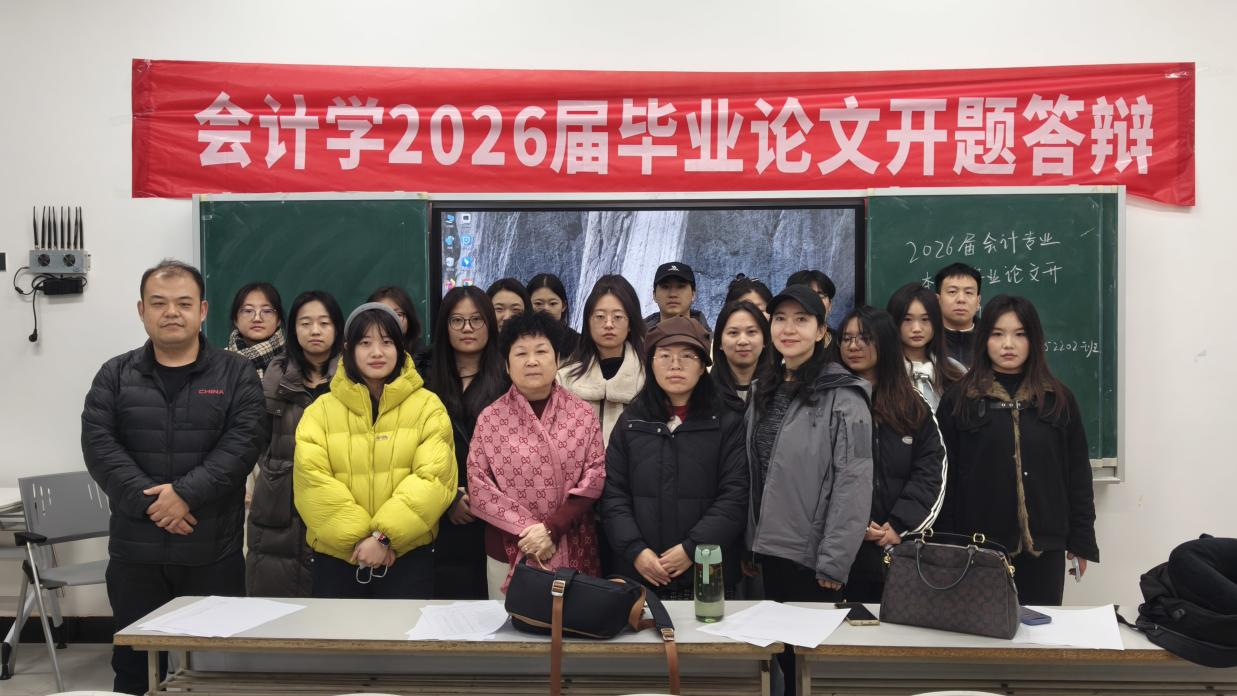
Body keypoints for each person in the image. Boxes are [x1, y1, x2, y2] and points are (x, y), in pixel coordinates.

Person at [82, 259, 267, 695]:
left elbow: (244, 443)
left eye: (183, 303)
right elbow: (100, 446)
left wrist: (184, 494)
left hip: (211, 551)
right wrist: (156, 504)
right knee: (133, 671)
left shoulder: (235, 372)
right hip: (136, 554)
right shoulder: (115, 374)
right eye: (159, 303)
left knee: (214, 672)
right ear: (141, 310)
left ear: (202, 311)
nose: (171, 312)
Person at [936, 295, 1099, 606]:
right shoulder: (959, 399)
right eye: (997, 334)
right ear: (984, 339)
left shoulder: (1058, 398)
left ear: (1034, 340)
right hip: (977, 546)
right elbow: (946, 478)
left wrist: (1081, 541)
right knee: (980, 630)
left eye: (1020, 334)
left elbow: (1078, 475)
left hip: (1044, 545)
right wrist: (948, 543)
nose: (1008, 344)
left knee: (1040, 630)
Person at [293, 303, 456, 599]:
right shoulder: (320, 411)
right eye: (365, 343)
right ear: (348, 349)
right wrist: (362, 541)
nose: (377, 352)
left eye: (387, 342)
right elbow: (312, 483)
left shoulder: (428, 407)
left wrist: (383, 538)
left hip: (407, 558)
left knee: (405, 631)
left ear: (401, 347)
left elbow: (434, 479)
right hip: (338, 560)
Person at [602, 317, 748, 599]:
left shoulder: (727, 422)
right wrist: (636, 550)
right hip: (641, 574)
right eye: (665, 356)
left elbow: (735, 495)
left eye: (687, 356)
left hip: (707, 570)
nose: (675, 365)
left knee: (709, 628)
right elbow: (613, 494)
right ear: (651, 363)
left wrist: (692, 549)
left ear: (703, 365)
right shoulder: (630, 422)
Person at [746, 284, 872, 602]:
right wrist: (748, 544)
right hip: (766, 552)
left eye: (801, 319)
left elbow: (854, 482)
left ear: (820, 331)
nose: (788, 329)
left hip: (812, 559)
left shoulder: (846, 396)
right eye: (780, 318)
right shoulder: (762, 389)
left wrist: (834, 560)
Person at [467, 312, 607, 597]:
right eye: (521, 353)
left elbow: (594, 477)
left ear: (557, 359)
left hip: (570, 541)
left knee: (573, 621)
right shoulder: (490, 418)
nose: (531, 361)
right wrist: (531, 532)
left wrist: (551, 529)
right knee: (508, 623)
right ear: (507, 365)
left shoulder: (582, 414)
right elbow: (479, 486)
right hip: (509, 546)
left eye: (541, 351)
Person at [837, 306, 947, 603]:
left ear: (885, 341)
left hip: (900, 547)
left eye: (865, 338)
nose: (854, 346)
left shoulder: (912, 404)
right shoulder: (828, 400)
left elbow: (931, 470)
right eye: (846, 338)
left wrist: (900, 525)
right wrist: (852, 522)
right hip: (840, 546)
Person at [246, 291, 344, 598]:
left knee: (335, 603)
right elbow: (259, 439)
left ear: (338, 328)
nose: (315, 331)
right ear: (293, 329)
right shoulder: (275, 376)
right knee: (278, 599)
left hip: (338, 498)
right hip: (279, 504)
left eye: (324, 323)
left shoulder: (353, 378)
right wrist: (279, 471)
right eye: (305, 323)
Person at [424, 286, 510, 599]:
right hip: (437, 514)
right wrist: (448, 498)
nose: (467, 328)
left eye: (476, 320)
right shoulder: (424, 382)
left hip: (496, 518)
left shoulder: (509, 381)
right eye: (457, 321)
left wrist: (481, 496)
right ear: (444, 327)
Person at [557, 274, 647, 444]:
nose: (608, 324)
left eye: (617, 317)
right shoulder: (565, 378)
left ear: (630, 323)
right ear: (588, 322)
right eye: (600, 316)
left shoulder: (649, 378)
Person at [886, 282, 965, 410]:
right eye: (907, 319)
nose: (917, 328)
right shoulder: (883, 371)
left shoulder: (955, 370)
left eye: (925, 319)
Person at [711, 300, 772, 412]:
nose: (743, 341)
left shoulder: (778, 389)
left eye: (751, 332)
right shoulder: (705, 391)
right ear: (719, 342)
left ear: (765, 339)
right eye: (733, 333)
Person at [225, 281, 286, 380]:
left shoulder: (293, 363)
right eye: (248, 311)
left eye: (266, 311)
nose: (257, 318)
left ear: (278, 320)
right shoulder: (219, 363)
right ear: (235, 319)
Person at [934, 262, 983, 367]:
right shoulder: (926, 339)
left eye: (968, 293)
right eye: (952, 292)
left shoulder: (991, 338)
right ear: (938, 300)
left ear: (978, 301)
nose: (961, 299)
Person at [644, 261, 710, 336]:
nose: (673, 294)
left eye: (681, 286)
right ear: (654, 295)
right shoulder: (637, 339)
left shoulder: (713, 341)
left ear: (693, 294)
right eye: (665, 287)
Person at [786, 269, 839, 361]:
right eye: (804, 295)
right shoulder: (779, 343)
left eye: (819, 296)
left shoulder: (842, 344)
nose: (812, 302)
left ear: (830, 305)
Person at [368, 285, 429, 365]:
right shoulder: (361, 355)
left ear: (409, 319)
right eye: (383, 313)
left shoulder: (424, 360)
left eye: (398, 314)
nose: (391, 320)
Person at [528, 272, 581, 358]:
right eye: (538, 303)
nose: (546, 309)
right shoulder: (516, 339)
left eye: (552, 303)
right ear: (527, 305)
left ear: (563, 306)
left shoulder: (578, 343)